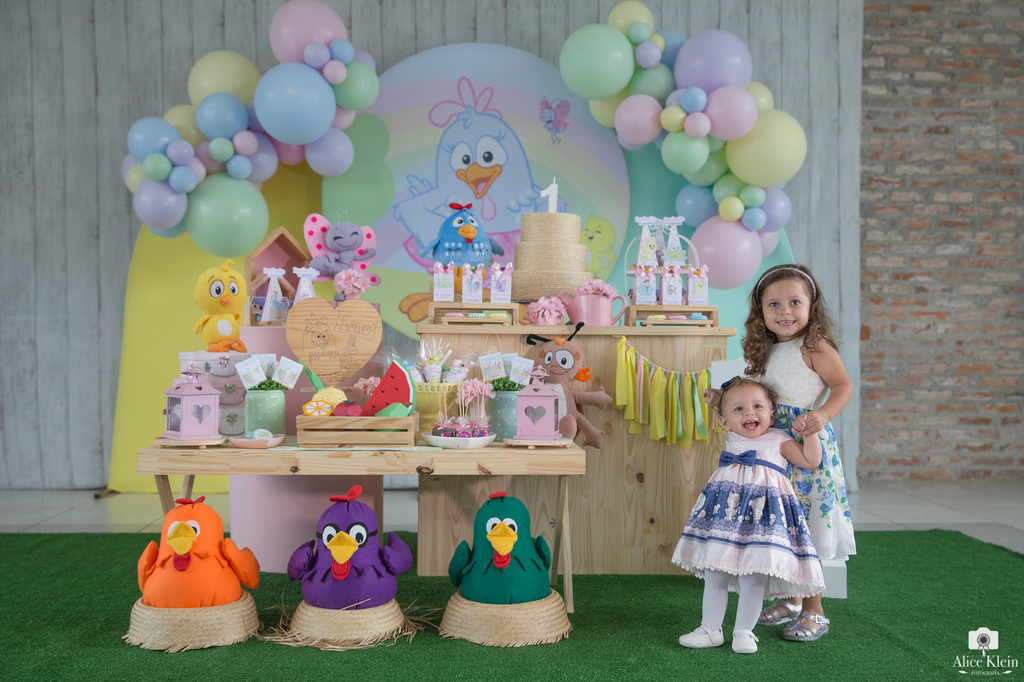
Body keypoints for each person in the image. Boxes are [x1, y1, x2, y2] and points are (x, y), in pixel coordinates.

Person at [706, 263, 856, 642]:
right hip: (768, 450)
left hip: (804, 441)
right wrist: (723, 398)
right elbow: (755, 393)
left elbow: (842, 386)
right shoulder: (761, 348)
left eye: (794, 302)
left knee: (805, 524)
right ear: (760, 310)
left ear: (812, 306)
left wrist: (820, 415)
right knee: (780, 526)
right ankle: (791, 600)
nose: (784, 311)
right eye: (774, 304)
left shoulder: (814, 346)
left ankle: (814, 609)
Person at [673, 377, 824, 654]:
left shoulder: (780, 438)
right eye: (739, 410)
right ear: (725, 422)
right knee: (715, 572)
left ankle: (744, 631)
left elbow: (811, 460)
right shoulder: (732, 436)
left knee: (753, 576)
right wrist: (715, 399)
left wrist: (811, 433)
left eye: (757, 406)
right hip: (727, 515)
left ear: (772, 413)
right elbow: (724, 406)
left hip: (763, 518)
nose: (749, 413)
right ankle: (710, 629)